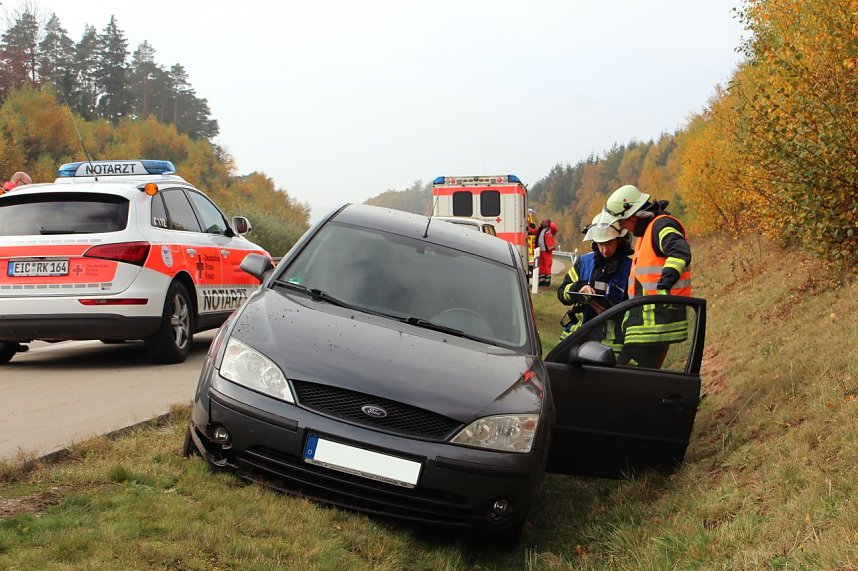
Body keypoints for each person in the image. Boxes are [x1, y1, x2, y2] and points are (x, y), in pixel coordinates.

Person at [600, 184, 693, 368]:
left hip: (654, 325)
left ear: (633, 215)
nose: (622, 227)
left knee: (626, 377)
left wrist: (664, 286)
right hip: (646, 325)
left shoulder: (662, 225)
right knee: (634, 377)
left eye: (622, 221)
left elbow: (679, 252)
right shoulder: (646, 232)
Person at [557, 214, 632, 350]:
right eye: (601, 243)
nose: (604, 249)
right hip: (575, 338)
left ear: (619, 240)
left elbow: (636, 311)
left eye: (609, 243)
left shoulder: (630, 269)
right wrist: (578, 288)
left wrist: (611, 311)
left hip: (611, 346)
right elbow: (562, 293)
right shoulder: (584, 263)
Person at [536, 218, 556, 286]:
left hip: (547, 251)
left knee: (547, 265)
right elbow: (533, 231)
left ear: (547, 223)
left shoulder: (550, 230)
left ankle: (547, 281)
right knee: (541, 266)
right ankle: (541, 280)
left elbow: (554, 228)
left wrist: (550, 223)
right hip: (540, 251)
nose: (542, 223)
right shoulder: (540, 229)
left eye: (543, 222)